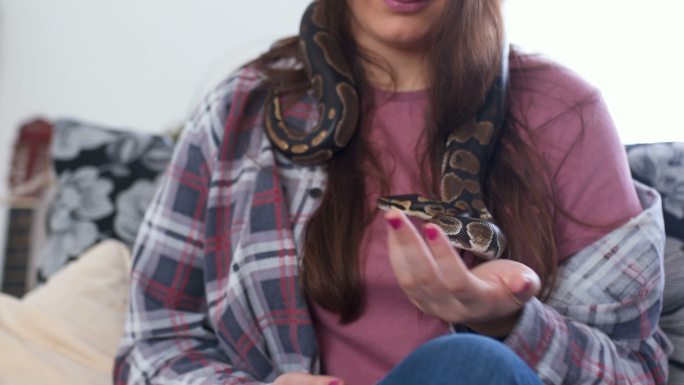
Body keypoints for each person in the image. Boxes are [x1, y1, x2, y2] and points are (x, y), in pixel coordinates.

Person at [114, 0, 672, 384]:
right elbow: (150, 345)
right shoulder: (243, 108)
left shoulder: (565, 113)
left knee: (469, 366)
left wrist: (507, 326)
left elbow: (636, 373)